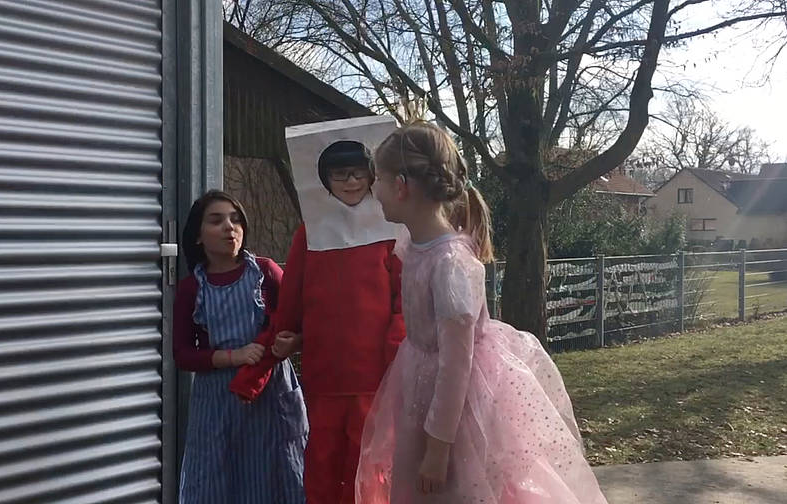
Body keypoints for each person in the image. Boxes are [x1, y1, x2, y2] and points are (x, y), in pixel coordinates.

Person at [356, 121, 608, 504]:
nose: (374, 191)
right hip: (418, 390)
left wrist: (438, 448)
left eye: (380, 180)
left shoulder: (451, 264)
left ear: (401, 186)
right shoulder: (414, 245)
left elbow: (456, 365)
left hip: (454, 414)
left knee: (456, 491)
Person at [230, 117, 406, 504]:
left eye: (359, 172)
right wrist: (258, 369)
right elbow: (290, 306)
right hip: (325, 374)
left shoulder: (391, 233)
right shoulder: (308, 236)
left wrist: (395, 359)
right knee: (321, 467)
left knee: (368, 472)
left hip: (375, 377)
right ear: (324, 180)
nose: (351, 181)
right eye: (340, 174)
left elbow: (403, 304)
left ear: (373, 175)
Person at [173, 190, 307, 504]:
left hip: (270, 397)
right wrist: (234, 356)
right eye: (216, 221)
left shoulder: (266, 273)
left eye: (235, 220)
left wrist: (293, 343)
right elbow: (182, 354)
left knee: (277, 481)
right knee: (213, 484)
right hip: (216, 402)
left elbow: (303, 320)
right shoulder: (192, 288)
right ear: (198, 236)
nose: (229, 227)